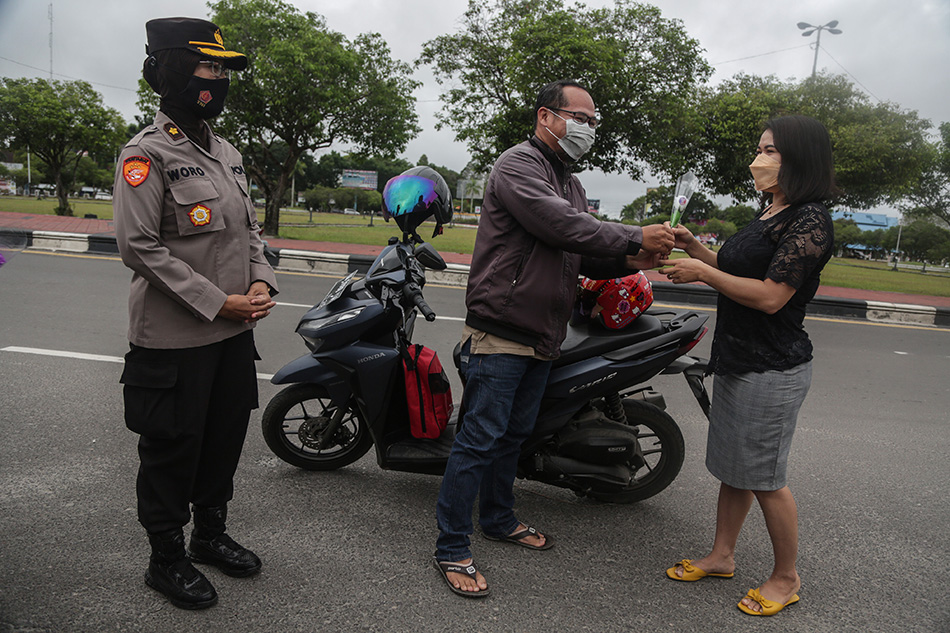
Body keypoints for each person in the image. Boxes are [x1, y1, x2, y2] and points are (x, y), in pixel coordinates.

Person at [433, 79, 675, 598]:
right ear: (547, 116)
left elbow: (580, 249)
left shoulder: (571, 182)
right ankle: (452, 545)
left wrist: (637, 258)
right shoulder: (518, 165)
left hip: (545, 333)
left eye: (594, 122)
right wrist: (634, 236)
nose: (589, 129)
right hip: (502, 330)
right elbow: (563, 226)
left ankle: (498, 519)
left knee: (514, 437)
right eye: (581, 118)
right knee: (478, 441)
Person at [113, 17, 279, 610]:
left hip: (234, 333)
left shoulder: (227, 152)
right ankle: (166, 558)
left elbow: (250, 231)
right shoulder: (146, 153)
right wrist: (217, 301)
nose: (218, 79)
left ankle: (209, 536)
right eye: (209, 67)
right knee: (172, 446)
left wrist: (261, 281)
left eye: (222, 70)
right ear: (175, 70)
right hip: (175, 339)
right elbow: (138, 246)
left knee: (222, 438)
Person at [658, 115, 837, 616]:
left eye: (771, 151)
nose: (759, 159)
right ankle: (722, 555)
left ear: (799, 158)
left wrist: (702, 274)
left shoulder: (810, 220)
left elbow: (771, 296)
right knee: (735, 470)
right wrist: (699, 251)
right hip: (739, 358)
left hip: (773, 366)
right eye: (760, 148)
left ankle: (786, 576)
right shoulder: (771, 209)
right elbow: (738, 268)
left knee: (763, 477)